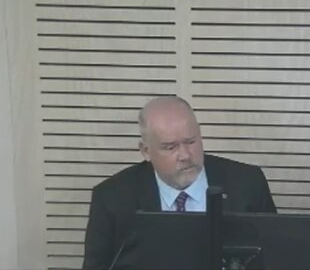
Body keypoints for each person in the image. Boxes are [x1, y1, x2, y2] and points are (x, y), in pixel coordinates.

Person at [82, 96, 276, 269]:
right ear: (146, 151)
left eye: (191, 142)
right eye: (170, 147)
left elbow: (275, 260)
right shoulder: (111, 199)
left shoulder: (247, 183)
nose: (184, 155)